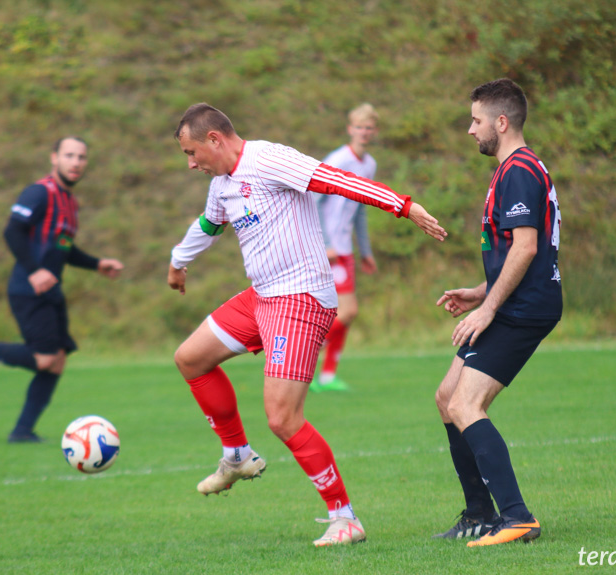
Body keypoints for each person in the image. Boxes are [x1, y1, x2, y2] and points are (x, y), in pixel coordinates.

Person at [167, 103, 446, 546]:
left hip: (299, 298)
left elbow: (340, 182)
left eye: (191, 152)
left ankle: (345, 518)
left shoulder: (271, 159)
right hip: (262, 296)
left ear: (214, 140)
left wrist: (403, 206)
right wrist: (178, 262)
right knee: (191, 359)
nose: (190, 163)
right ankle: (236, 454)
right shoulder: (222, 184)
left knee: (282, 417)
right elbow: (209, 224)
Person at [432, 78, 562, 547]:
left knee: (467, 404)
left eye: (476, 120)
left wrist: (489, 308)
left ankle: (517, 518)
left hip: (523, 309)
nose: (470, 130)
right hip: (514, 300)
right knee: (447, 397)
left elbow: (527, 249)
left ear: (501, 122)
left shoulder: (519, 171)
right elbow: (520, 252)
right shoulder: (513, 169)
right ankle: (478, 514)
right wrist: (479, 291)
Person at [0, 137, 124, 443]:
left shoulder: (70, 203)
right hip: (27, 290)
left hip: (51, 291)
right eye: (69, 155)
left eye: (81, 157)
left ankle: (22, 431)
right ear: (54, 158)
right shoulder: (39, 192)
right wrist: (34, 270)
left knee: (57, 362)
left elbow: (63, 248)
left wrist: (96, 264)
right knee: (44, 359)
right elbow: (12, 231)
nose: (76, 162)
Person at [311, 103, 380, 392]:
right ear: (350, 129)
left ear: (374, 132)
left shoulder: (369, 165)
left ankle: (327, 377)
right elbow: (313, 200)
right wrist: (324, 243)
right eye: (359, 127)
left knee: (344, 314)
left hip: (346, 249)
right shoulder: (337, 159)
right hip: (329, 250)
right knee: (346, 311)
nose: (364, 133)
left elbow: (360, 210)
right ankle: (306, 348)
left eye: (369, 128)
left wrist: (365, 250)